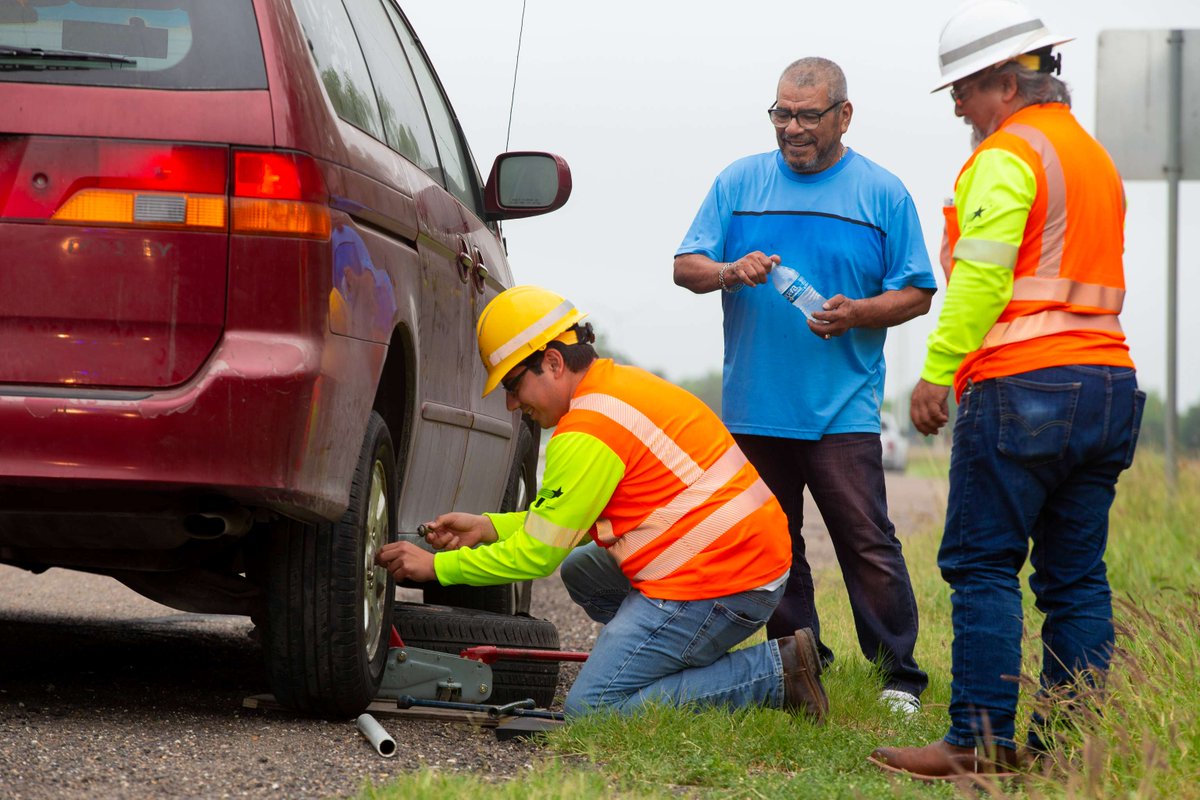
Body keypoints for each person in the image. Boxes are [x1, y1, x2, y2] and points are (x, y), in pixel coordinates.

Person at [870, 0, 1145, 780]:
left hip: (1026, 385)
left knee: (984, 562)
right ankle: (1069, 752)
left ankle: (978, 742)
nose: (958, 107)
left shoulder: (1008, 154)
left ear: (1006, 82)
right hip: (1109, 383)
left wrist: (938, 371)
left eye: (962, 90)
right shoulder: (1091, 158)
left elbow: (984, 277)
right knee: (1075, 577)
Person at [375, 285, 829, 721]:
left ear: (553, 362)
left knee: (593, 707)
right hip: (741, 557)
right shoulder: (613, 387)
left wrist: (435, 567)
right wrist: (488, 528)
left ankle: (778, 673)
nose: (511, 403)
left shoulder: (587, 430)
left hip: (725, 581)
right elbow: (563, 523)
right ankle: (669, 658)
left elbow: (536, 554)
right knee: (583, 572)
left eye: (513, 384)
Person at [673, 57, 934, 715]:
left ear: (844, 116)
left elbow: (917, 292)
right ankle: (801, 666)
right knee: (774, 548)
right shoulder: (738, 182)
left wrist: (858, 312)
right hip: (754, 407)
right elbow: (686, 266)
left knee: (866, 542)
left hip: (843, 409)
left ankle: (899, 675)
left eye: (808, 115)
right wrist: (730, 270)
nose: (792, 128)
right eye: (781, 114)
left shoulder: (883, 194)